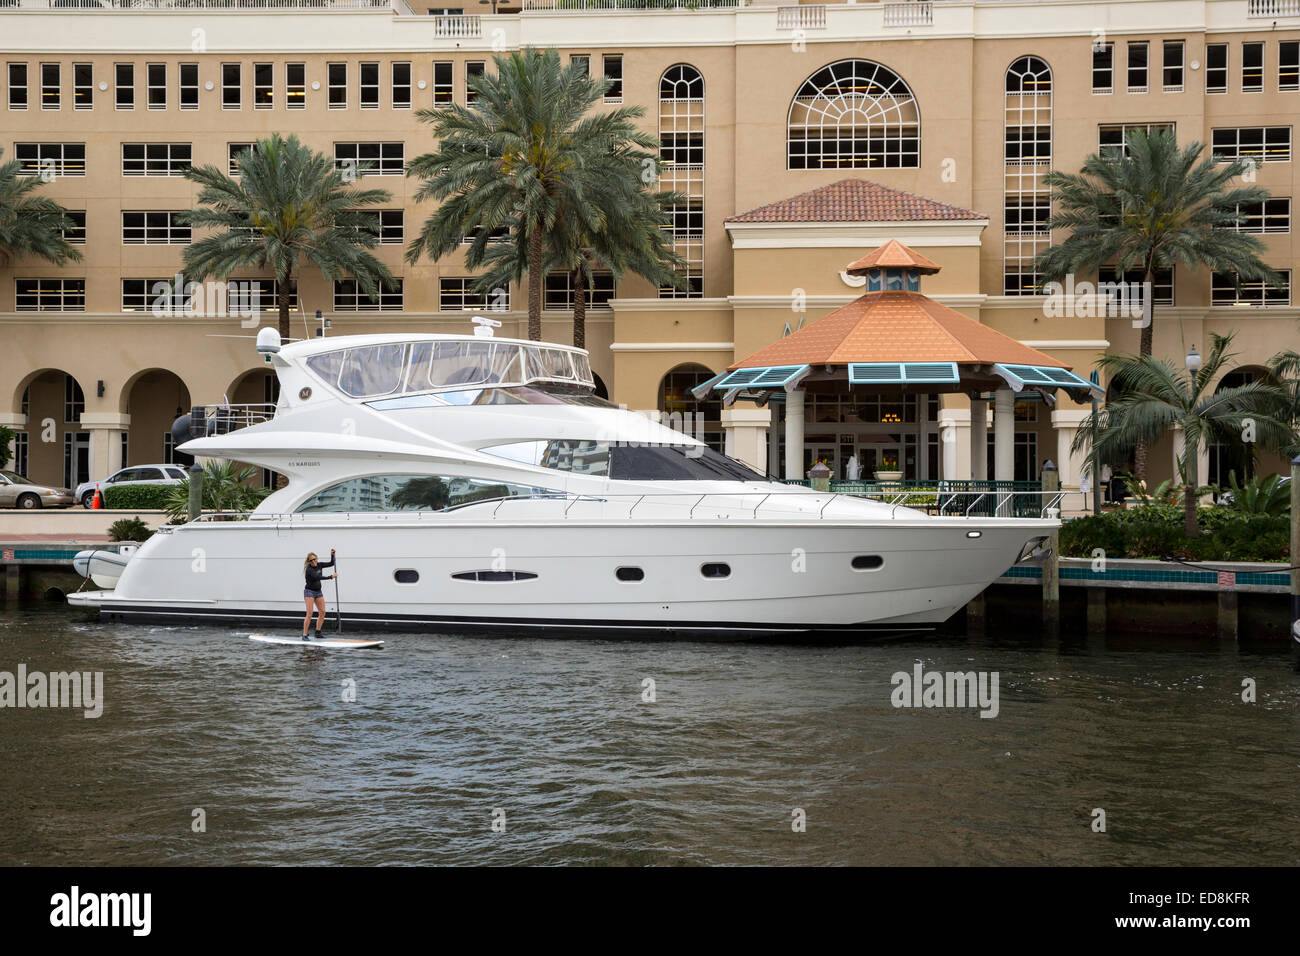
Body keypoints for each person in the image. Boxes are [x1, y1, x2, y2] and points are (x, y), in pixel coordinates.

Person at [302, 549, 337, 640]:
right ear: (309, 562)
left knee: (322, 612)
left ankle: (318, 633)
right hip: (309, 592)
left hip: (318, 592)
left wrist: (332, 555)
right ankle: (304, 635)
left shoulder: (320, 565)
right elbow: (318, 577)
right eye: (312, 560)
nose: (314, 561)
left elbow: (331, 563)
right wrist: (331, 577)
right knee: (309, 613)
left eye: (315, 559)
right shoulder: (309, 570)